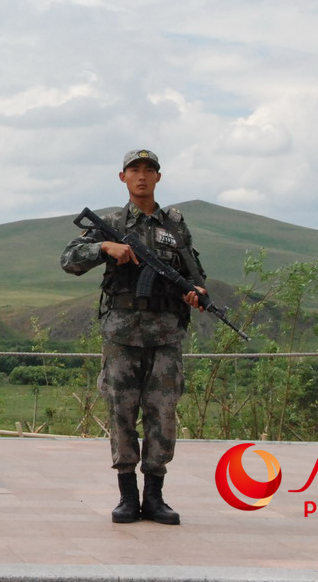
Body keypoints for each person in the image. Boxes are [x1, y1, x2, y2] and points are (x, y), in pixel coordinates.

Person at [60, 149, 208, 526]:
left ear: (159, 177)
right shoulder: (109, 223)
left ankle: (155, 496)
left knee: (163, 414)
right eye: (134, 170)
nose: (142, 176)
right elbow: (70, 260)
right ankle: (127, 496)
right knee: (121, 412)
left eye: (149, 171)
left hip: (166, 332)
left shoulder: (174, 225)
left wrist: (197, 293)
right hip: (122, 333)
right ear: (122, 177)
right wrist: (104, 247)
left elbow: (193, 273)